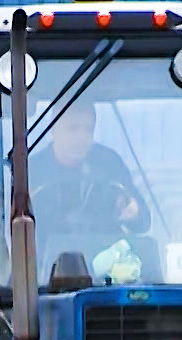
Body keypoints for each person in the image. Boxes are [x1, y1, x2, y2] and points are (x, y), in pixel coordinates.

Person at [28, 98, 151, 282]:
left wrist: (133, 212)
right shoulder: (32, 170)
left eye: (88, 129)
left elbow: (143, 221)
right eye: (73, 129)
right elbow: (11, 229)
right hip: (45, 279)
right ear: (53, 130)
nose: (81, 137)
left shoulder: (109, 164)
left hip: (107, 276)